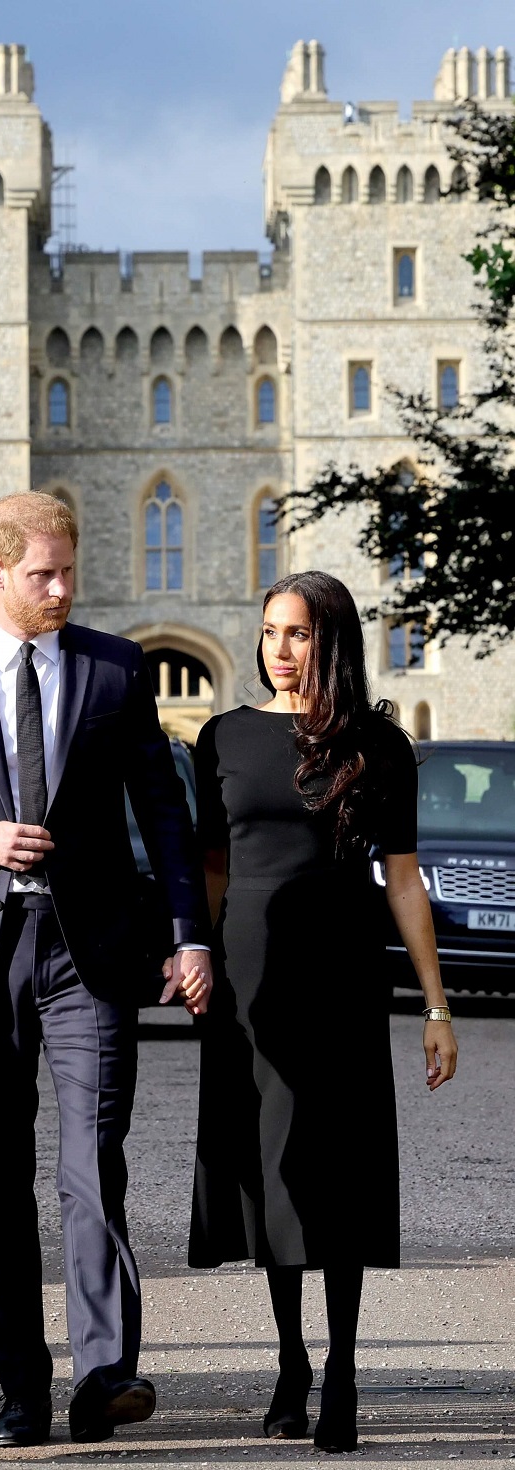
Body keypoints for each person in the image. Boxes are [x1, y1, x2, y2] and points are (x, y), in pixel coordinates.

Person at [0, 491, 212, 1448]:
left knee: (94, 1158)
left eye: (68, 569)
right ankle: (21, 1389)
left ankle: (105, 1373)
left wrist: (189, 932)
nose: (62, 588)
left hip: (89, 953)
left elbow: (165, 811)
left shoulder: (115, 667)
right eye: (42, 573)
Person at [188, 569, 458, 1454]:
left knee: (338, 1171)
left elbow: (405, 879)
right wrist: (197, 954)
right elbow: (214, 868)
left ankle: (341, 1366)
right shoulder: (222, 736)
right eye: (270, 631)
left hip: (343, 977)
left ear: (330, 640)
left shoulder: (379, 747)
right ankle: (292, 1358)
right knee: (274, 1173)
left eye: (298, 633)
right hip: (250, 980)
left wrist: (436, 1005)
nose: (280, 648)